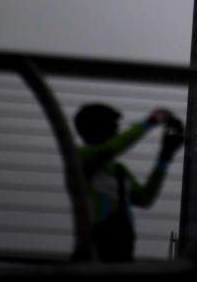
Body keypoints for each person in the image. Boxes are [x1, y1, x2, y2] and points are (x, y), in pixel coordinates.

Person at [73, 103, 184, 262]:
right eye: (112, 126)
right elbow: (111, 148)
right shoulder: (82, 157)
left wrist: (164, 158)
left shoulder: (119, 170)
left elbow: (145, 198)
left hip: (122, 245)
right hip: (96, 243)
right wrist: (149, 122)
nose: (117, 131)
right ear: (97, 128)